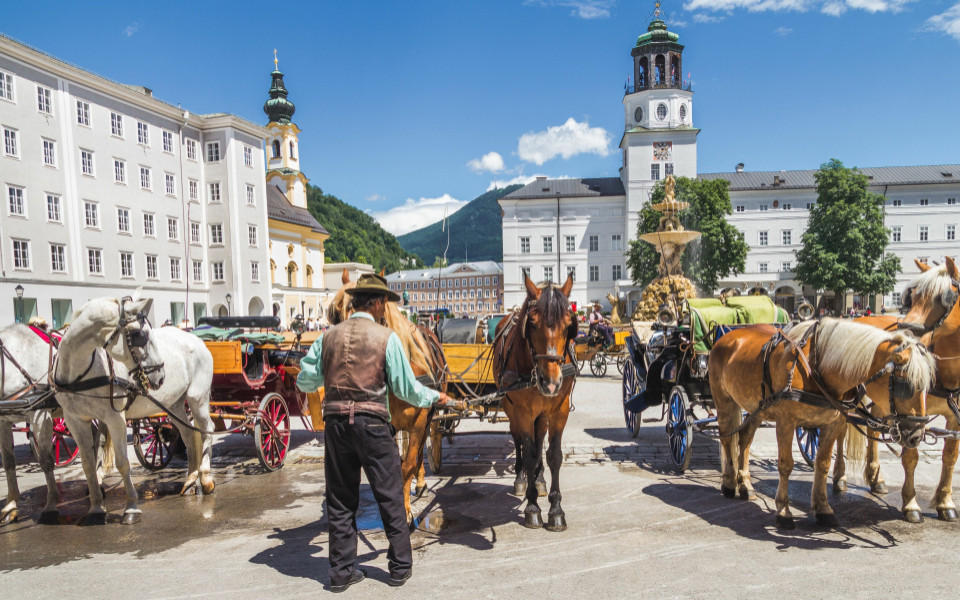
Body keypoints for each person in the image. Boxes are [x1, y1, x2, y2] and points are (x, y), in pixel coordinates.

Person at [296, 273, 454, 593]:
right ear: (379, 303)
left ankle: (341, 573)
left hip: (336, 426)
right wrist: (435, 397)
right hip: (372, 424)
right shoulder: (386, 338)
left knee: (341, 501)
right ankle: (399, 568)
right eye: (385, 304)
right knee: (390, 494)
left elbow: (305, 382)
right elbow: (406, 390)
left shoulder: (328, 337)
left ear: (354, 303)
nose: (385, 310)